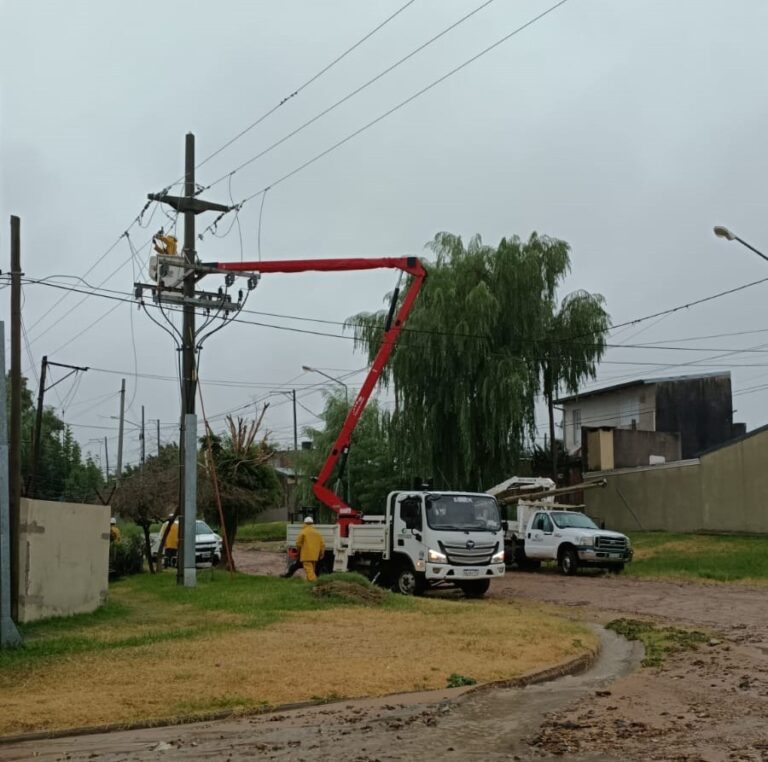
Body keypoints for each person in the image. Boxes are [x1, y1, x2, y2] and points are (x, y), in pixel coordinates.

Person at [294, 516, 325, 582]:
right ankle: (310, 584)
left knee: (309, 571)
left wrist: (298, 552)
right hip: (315, 556)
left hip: (306, 555)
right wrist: (322, 554)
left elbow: (298, 543)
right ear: (312, 523)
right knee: (311, 570)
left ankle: (315, 582)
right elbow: (322, 545)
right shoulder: (317, 533)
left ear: (304, 523)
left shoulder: (303, 532)